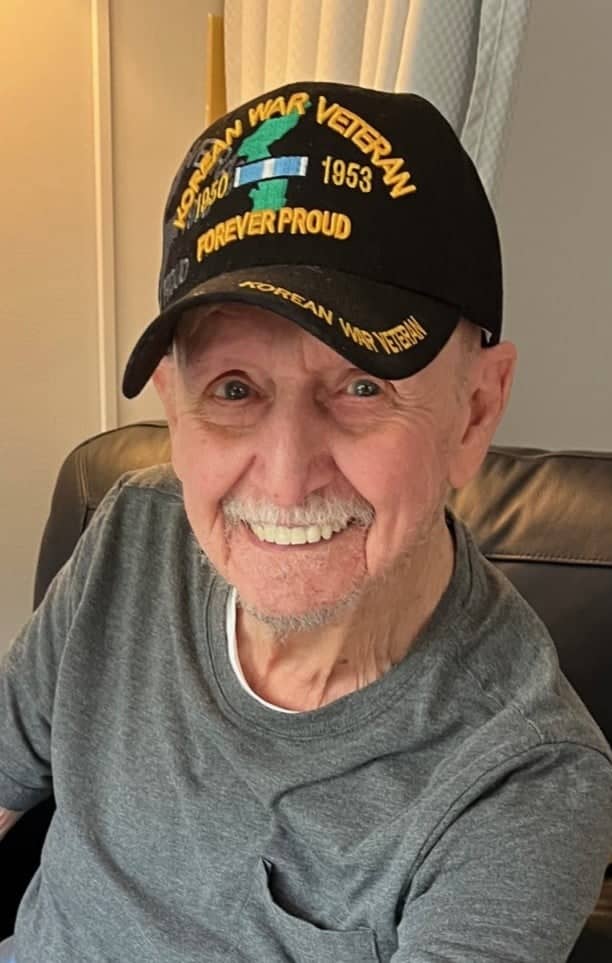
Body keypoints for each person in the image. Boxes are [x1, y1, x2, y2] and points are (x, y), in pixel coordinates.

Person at [1, 81, 611, 963]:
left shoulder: (525, 779)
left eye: (362, 386)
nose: (286, 479)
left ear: (476, 410)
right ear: (173, 405)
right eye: (234, 389)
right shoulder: (131, 537)